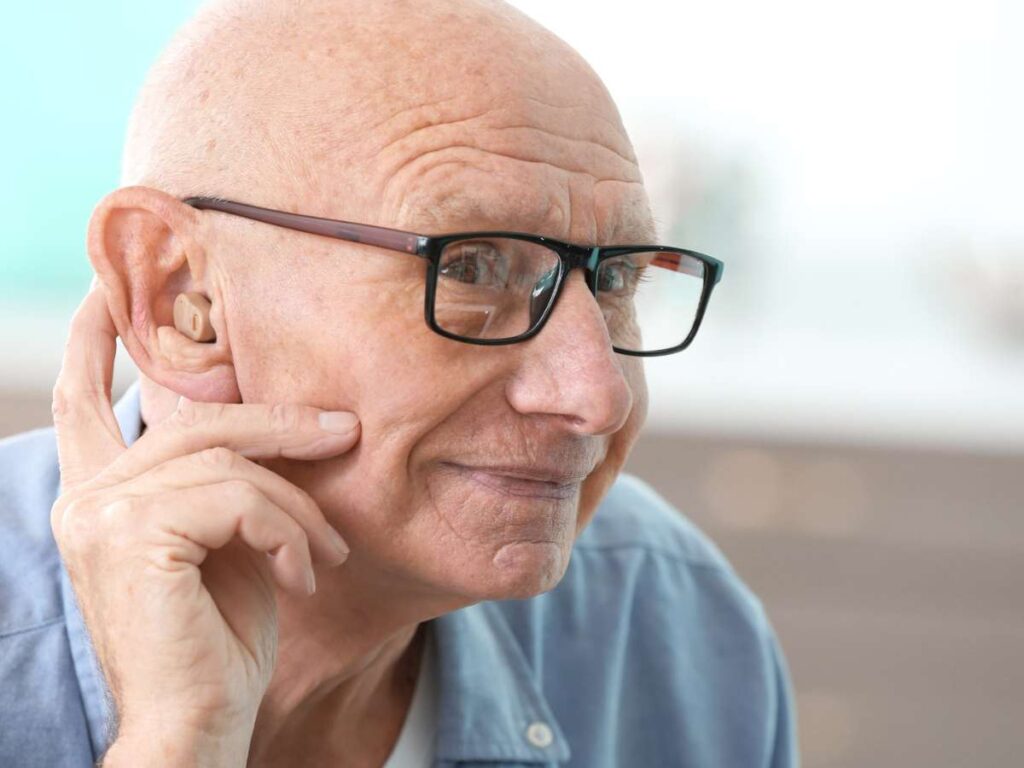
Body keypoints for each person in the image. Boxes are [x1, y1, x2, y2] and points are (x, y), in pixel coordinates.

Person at [0, 0, 798, 765]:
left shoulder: (676, 629)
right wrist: (179, 744)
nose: (598, 397)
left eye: (618, 280)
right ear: (180, 296)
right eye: (474, 266)